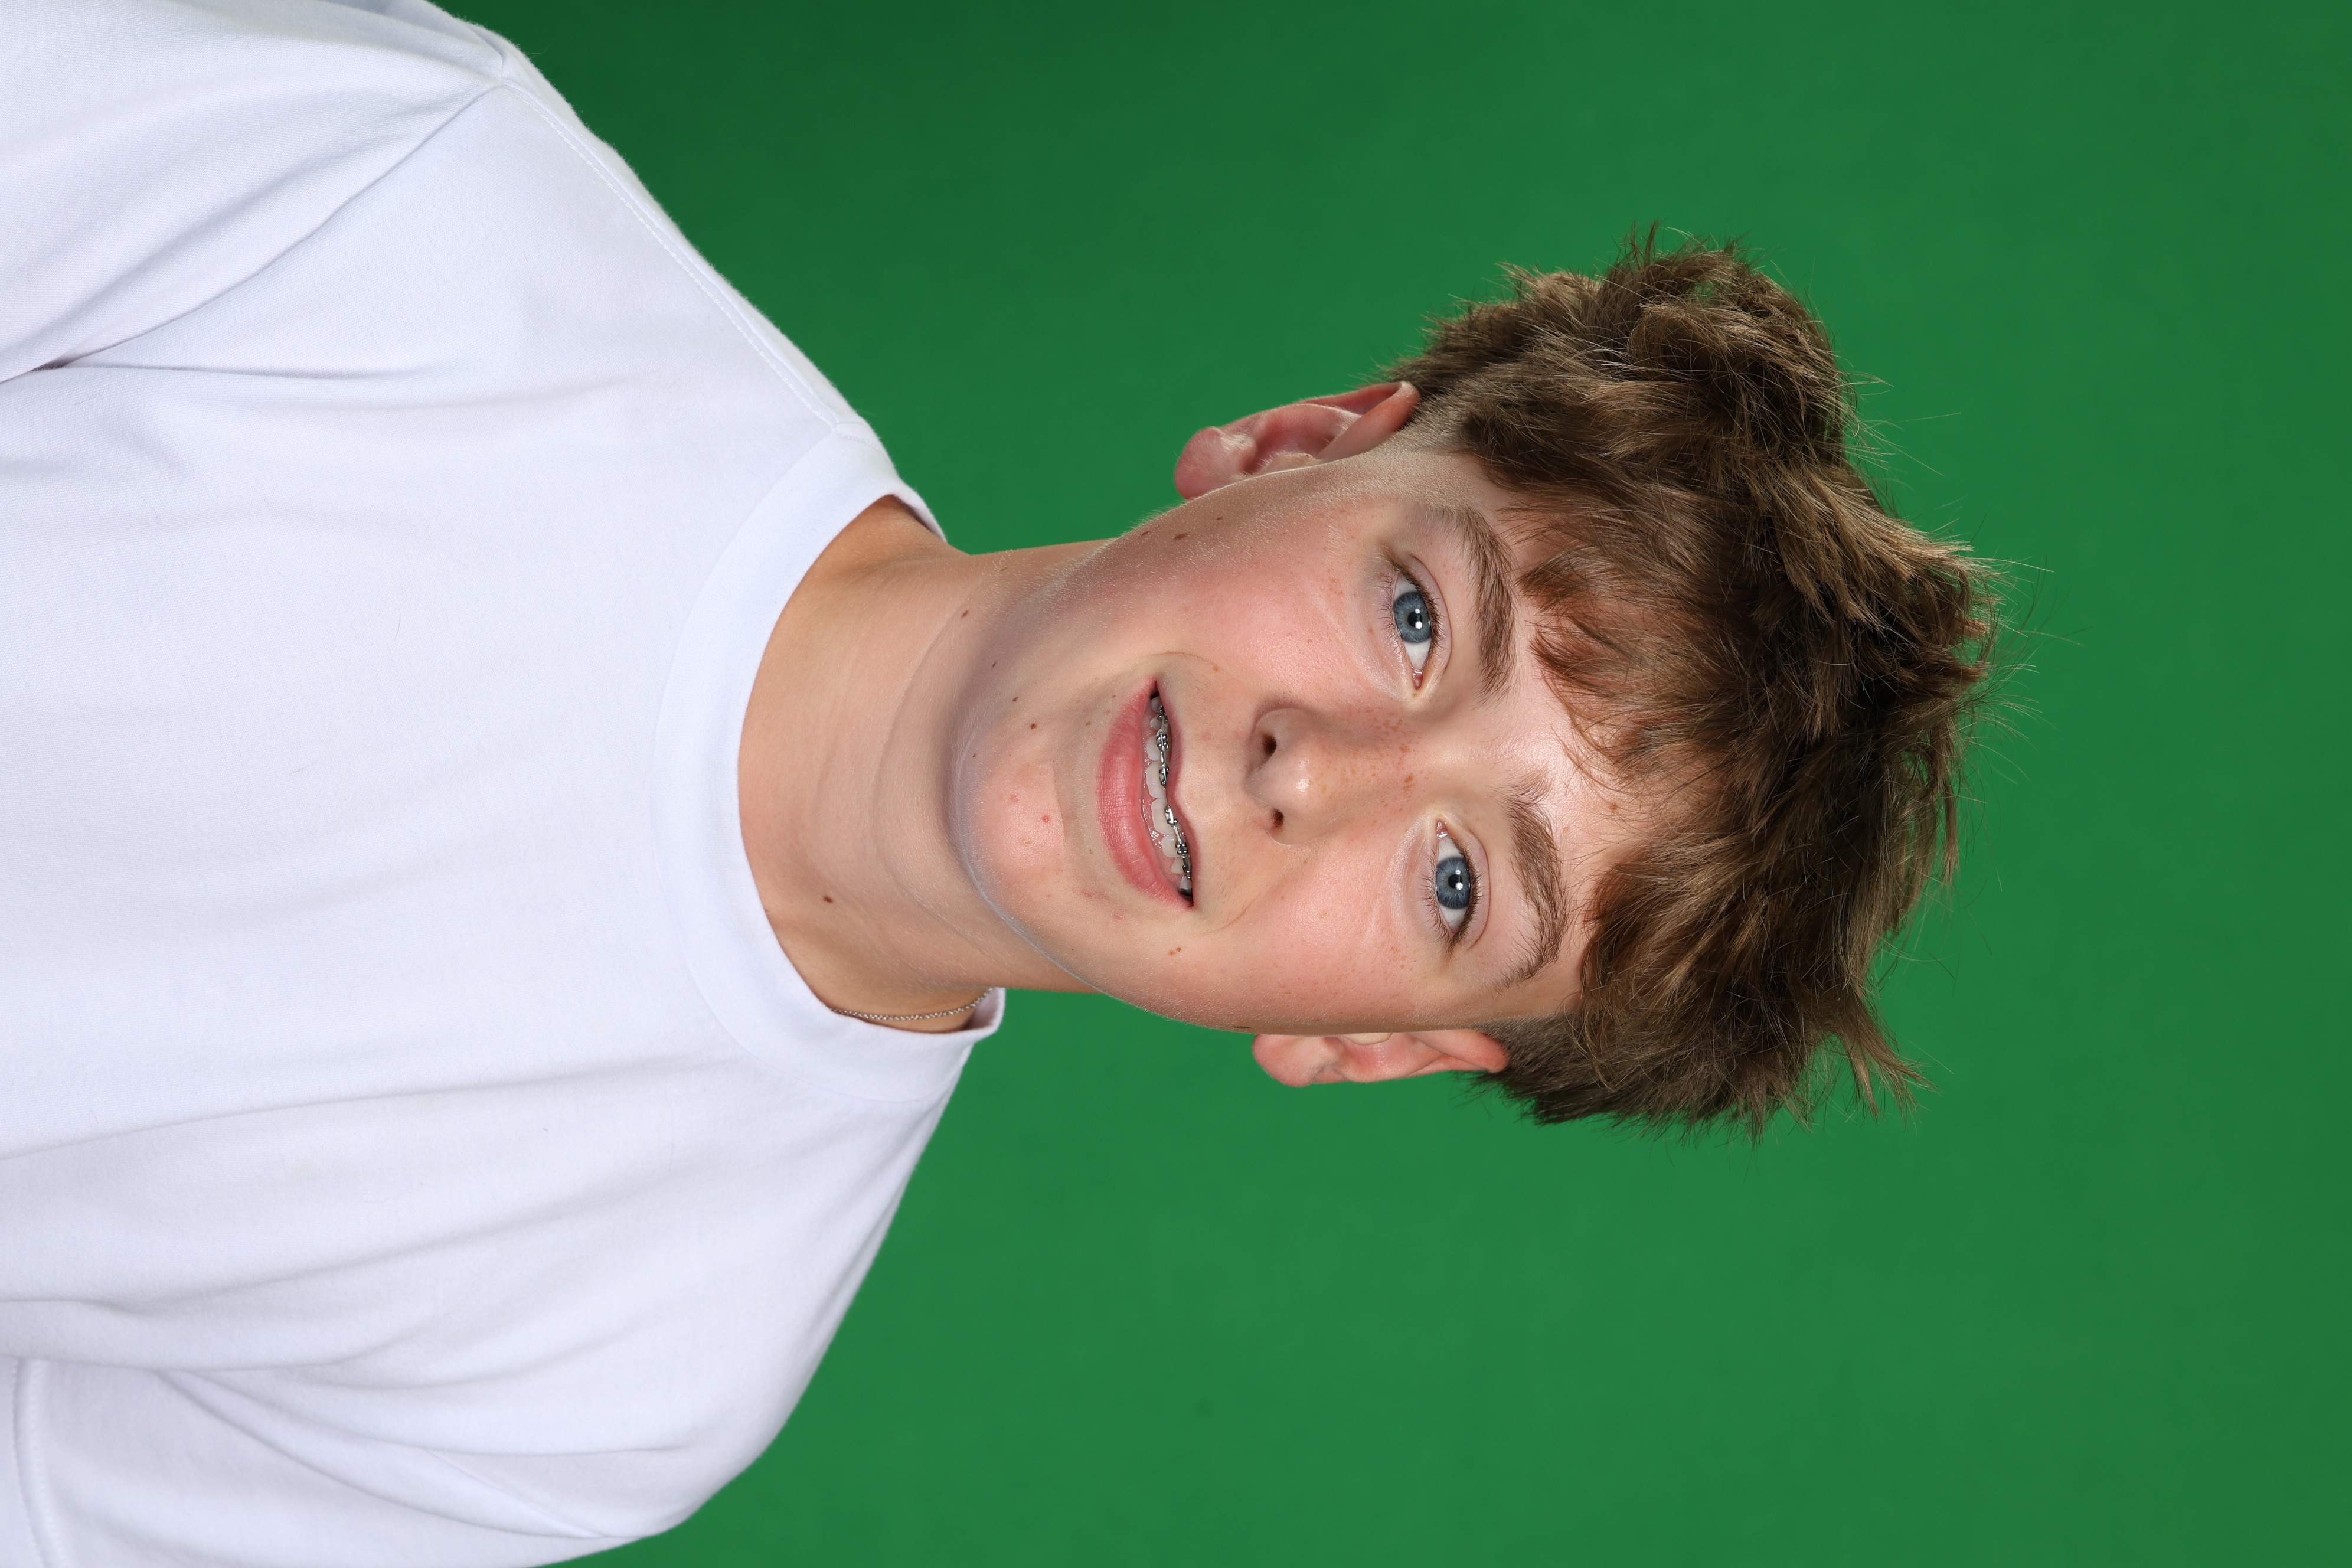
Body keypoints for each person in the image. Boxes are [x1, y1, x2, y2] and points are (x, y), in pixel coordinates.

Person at [0, 0, 1991, 1563]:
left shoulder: (623, 1382)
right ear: (1302, 441)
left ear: (1378, 1040)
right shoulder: (407, 210)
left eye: (1462, 882)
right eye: (1415, 617)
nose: (1321, 771)